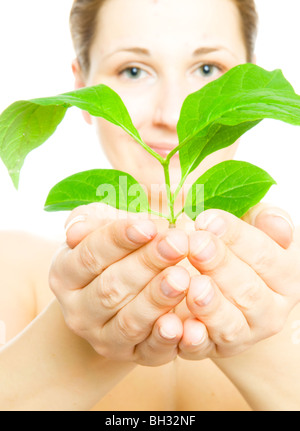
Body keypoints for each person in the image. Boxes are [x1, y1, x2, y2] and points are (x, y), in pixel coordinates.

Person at [0, 0, 300, 411]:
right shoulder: (12, 267)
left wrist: (255, 331)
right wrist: (85, 335)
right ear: (83, 83)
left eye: (209, 69)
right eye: (133, 71)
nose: (173, 115)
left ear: (252, 77)